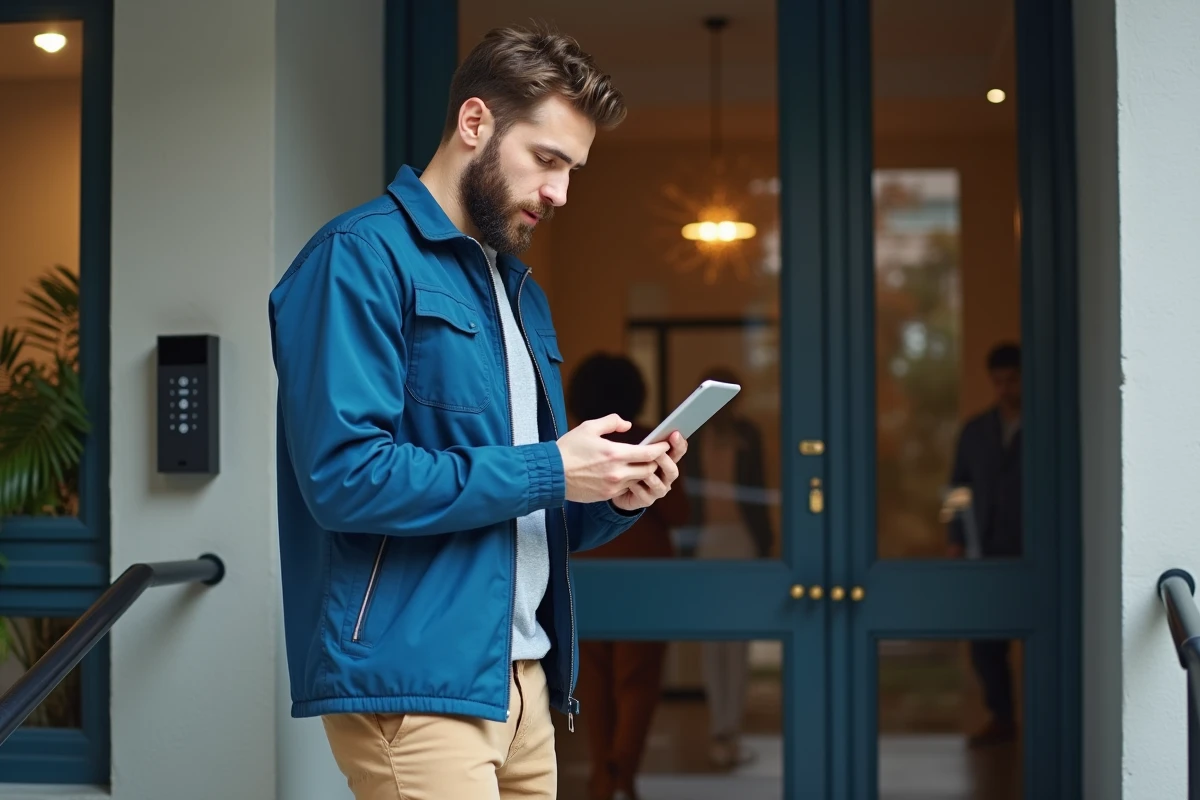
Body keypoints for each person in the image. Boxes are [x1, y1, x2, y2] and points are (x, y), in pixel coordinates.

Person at [268, 24, 688, 800]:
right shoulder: (357, 258)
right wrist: (552, 466)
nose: (560, 192)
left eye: (574, 170)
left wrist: (614, 493)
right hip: (416, 682)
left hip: (524, 682)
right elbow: (344, 479)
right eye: (548, 160)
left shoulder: (520, 293)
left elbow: (522, 504)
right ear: (474, 124)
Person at [567, 353, 691, 800]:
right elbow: (679, 512)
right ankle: (625, 771)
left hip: (586, 572)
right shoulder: (652, 441)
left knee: (594, 679)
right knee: (638, 679)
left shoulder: (574, 444)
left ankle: (602, 772)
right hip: (647, 577)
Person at [684, 367, 773, 769]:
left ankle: (730, 729)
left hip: (740, 537)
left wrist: (765, 543)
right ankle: (719, 727)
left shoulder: (748, 435)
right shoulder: (693, 435)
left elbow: (758, 490)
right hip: (706, 541)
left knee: (736, 642)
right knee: (711, 642)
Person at [946, 342, 1022, 747]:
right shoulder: (975, 431)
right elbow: (957, 487)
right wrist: (954, 538)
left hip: (1030, 550)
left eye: (1013, 380)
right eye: (999, 382)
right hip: (984, 549)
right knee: (985, 644)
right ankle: (1002, 717)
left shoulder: (1046, 428)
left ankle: (1041, 717)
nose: (1006, 389)